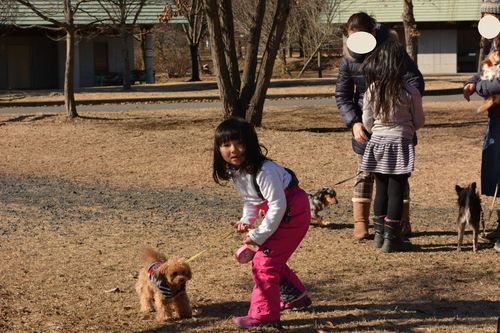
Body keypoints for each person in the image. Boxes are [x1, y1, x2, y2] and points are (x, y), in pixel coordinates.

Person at [212, 118, 311, 329]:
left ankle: (264, 315)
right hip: (281, 212)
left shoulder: (265, 170)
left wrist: (258, 235)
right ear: (218, 148)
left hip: (292, 213)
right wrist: (246, 221)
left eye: (239, 143)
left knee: (264, 262)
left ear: (251, 144)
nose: (234, 150)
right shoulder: (236, 171)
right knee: (270, 257)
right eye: (226, 145)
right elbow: (251, 200)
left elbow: (277, 206)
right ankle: (295, 296)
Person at [335, 12, 425, 241]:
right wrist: (354, 123)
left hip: (396, 122)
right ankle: (361, 223)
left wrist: (398, 98)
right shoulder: (349, 59)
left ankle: (401, 223)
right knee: (365, 173)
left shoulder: (393, 51)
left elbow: (416, 80)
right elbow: (343, 95)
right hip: (365, 123)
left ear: (373, 33)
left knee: (398, 177)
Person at [360, 39, 425, 252]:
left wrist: (378, 130)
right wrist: (407, 128)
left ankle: (379, 236)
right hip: (400, 143)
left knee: (381, 190)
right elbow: (419, 120)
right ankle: (392, 238)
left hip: (377, 143)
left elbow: (367, 121)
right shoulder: (410, 90)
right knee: (397, 191)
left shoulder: (371, 90)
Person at [463, 0, 500, 252]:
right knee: (496, 172)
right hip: (496, 117)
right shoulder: (493, 47)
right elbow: (485, 75)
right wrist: (471, 81)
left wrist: (479, 87)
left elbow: (494, 86)